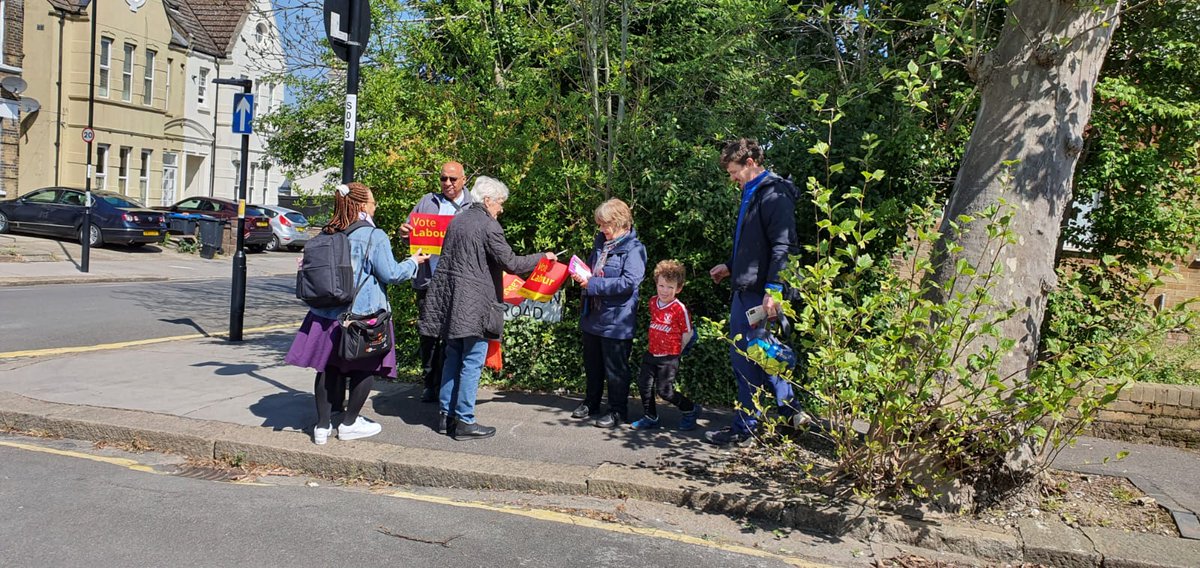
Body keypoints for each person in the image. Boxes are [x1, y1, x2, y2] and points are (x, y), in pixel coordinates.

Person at [285, 182, 429, 445]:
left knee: (327, 369)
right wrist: (413, 262)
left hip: (325, 314)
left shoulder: (328, 232)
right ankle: (349, 424)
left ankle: (322, 427)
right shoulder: (374, 236)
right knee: (363, 369)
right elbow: (391, 274)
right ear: (362, 206)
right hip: (363, 317)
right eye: (373, 202)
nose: (376, 206)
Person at [418, 176, 556, 439]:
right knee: (471, 362)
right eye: (500, 203)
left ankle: (445, 417)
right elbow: (512, 263)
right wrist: (542, 257)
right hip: (476, 306)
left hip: (453, 302)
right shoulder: (488, 226)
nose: (501, 209)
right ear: (488, 200)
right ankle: (465, 422)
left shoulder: (458, 220)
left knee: (452, 357)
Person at [705, 138, 801, 446]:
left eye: (734, 171)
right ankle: (789, 412)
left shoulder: (773, 194)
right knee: (760, 353)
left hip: (758, 294)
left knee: (746, 358)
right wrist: (732, 266)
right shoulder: (753, 191)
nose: (731, 178)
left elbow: (783, 246)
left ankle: (747, 427)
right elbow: (754, 245)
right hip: (748, 287)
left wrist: (773, 290)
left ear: (750, 164)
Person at [399, 162, 475, 403]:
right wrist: (404, 234)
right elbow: (410, 238)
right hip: (429, 280)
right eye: (444, 179)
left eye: (453, 179)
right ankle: (430, 382)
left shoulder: (473, 206)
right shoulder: (427, 202)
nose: (448, 184)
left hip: (459, 282)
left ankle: (449, 383)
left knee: (454, 335)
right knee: (429, 335)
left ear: (464, 180)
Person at [569, 198, 647, 429]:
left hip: (617, 319)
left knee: (615, 368)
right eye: (600, 225)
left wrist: (592, 285)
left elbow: (629, 283)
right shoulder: (602, 242)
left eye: (605, 225)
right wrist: (582, 274)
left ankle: (617, 411)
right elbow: (597, 270)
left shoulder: (635, 249)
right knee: (592, 364)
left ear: (620, 223)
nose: (601, 229)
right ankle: (591, 402)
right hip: (594, 314)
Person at [630, 260, 701, 431]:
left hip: (669, 357)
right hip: (651, 353)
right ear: (656, 284)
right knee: (644, 385)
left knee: (665, 391)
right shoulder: (653, 302)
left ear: (678, 288)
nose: (664, 290)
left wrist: (676, 352)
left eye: (670, 287)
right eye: (661, 285)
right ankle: (650, 416)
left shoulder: (679, 309)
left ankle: (690, 410)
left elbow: (688, 333)